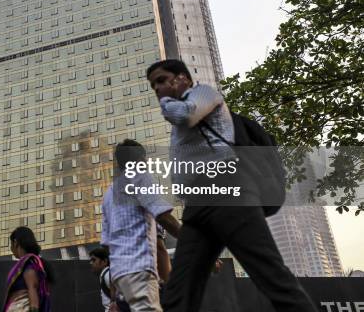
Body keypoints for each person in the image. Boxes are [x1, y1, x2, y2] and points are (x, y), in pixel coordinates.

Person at [147, 59, 315, 312]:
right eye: (153, 86)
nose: (157, 89)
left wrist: (168, 99)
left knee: (271, 276)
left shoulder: (203, 93)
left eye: (161, 81)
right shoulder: (179, 107)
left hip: (228, 193)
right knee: (178, 293)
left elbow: (185, 116)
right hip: (199, 203)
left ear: (182, 78)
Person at [102, 139, 181, 312]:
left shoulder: (108, 194)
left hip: (119, 276)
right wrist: (193, 242)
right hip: (140, 270)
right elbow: (164, 217)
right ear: (141, 160)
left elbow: (109, 246)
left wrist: (114, 295)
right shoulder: (140, 177)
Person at [3, 227, 53, 312]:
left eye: (11, 244)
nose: (11, 249)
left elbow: (33, 297)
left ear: (15, 243)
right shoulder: (28, 265)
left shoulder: (29, 267)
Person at [89, 247, 130, 312]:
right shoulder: (105, 275)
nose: (91, 263)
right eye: (90, 261)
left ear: (104, 261)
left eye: (94, 260)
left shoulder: (107, 275)